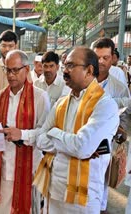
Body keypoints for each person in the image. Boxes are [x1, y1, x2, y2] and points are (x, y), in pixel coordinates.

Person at [33, 46, 119, 213]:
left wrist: (54, 132)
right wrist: (69, 143)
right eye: (65, 65)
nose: (65, 70)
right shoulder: (62, 103)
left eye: (71, 66)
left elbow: (82, 147)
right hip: (55, 189)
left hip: (83, 198)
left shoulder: (105, 105)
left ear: (89, 70)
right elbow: (40, 139)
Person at [0, 50, 50, 214]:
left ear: (26, 70)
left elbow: (45, 135)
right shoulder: (0, 97)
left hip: (30, 170)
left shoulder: (40, 97)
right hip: (3, 169)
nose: (11, 75)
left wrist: (22, 134)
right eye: (8, 70)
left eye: (15, 70)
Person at [91, 37, 131, 212]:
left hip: (104, 148)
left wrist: (121, 131)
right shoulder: (78, 81)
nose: (100, 61)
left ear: (112, 58)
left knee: (100, 187)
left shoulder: (119, 88)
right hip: (78, 143)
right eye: (97, 56)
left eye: (105, 57)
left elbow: (125, 115)